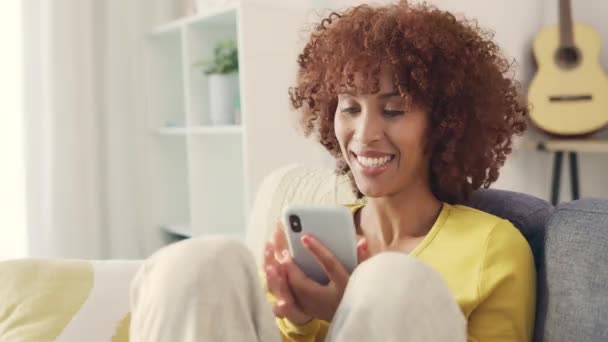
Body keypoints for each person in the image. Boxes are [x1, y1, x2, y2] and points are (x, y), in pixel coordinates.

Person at [129, 1, 536, 341]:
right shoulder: (312, 240)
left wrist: (353, 307)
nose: (365, 134)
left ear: (447, 123)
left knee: (392, 282)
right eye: (350, 108)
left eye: (393, 110)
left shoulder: (492, 249)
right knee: (203, 260)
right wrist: (299, 318)